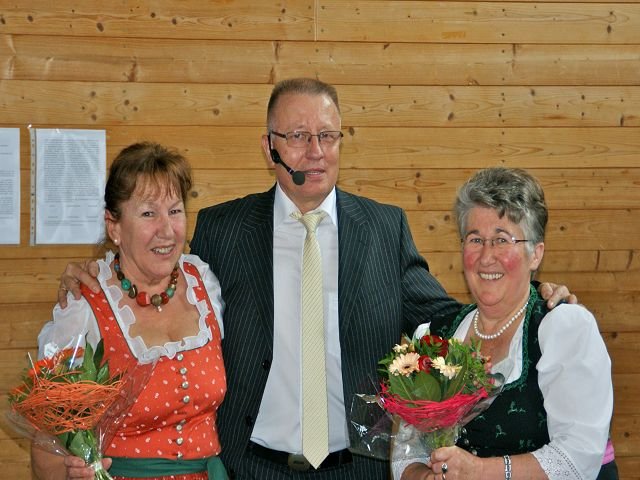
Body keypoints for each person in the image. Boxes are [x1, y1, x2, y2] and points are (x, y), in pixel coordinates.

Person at [57, 78, 575, 479]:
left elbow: (444, 321)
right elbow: (157, 275)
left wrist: (529, 301)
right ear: (269, 147)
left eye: (328, 136)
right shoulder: (222, 229)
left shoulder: (384, 227)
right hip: (250, 466)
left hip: (358, 468)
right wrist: (95, 273)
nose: (316, 151)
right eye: (299, 137)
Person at [394, 167, 615, 480]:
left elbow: (577, 459)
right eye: (475, 239)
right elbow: (407, 452)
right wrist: (421, 476)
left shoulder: (563, 328)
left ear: (535, 254)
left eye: (502, 240)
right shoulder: (434, 336)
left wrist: (480, 471)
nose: (486, 257)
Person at [33, 142, 228, 480]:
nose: (166, 230)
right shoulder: (85, 305)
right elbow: (45, 449)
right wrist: (70, 473)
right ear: (114, 227)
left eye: (175, 211)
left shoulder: (204, 284)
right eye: (148, 214)